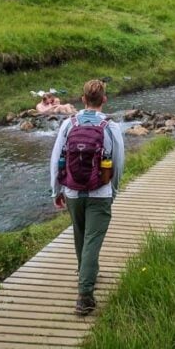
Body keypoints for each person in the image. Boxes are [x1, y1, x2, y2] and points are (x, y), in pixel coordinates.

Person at [50, 79, 125, 316]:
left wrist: (56, 190)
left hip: (72, 191)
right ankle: (84, 295)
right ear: (104, 99)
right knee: (93, 239)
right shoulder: (110, 126)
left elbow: (55, 160)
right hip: (100, 192)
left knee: (80, 235)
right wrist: (113, 190)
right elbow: (119, 163)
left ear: (82, 99)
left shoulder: (68, 124)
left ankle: (86, 273)